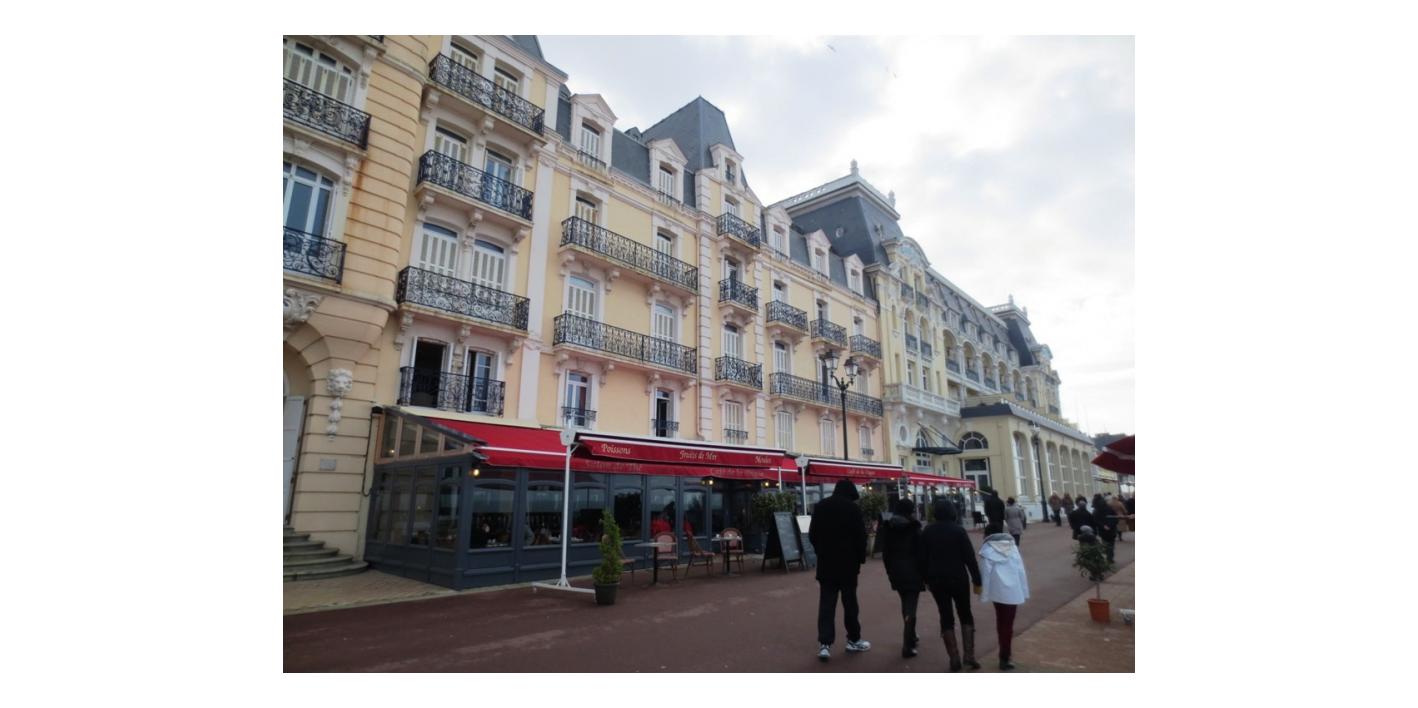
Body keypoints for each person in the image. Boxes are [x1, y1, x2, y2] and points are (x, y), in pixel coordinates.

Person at [808, 479, 871, 661]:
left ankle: (825, 644)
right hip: (848, 565)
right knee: (850, 603)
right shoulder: (853, 509)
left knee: (826, 604)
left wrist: (821, 551)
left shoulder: (821, 506)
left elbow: (812, 534)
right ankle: (853, 639)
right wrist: (860, 559)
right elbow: (861, 537)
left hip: (826, 564)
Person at [919, 499, 983, 672]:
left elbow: (922, 558)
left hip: (936, 580)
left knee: (945, 615)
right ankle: (969, 656)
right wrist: (977, 579)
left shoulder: (928, 531)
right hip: (958, 578)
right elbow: (969, 558)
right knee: (965, 613)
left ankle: (954, 658)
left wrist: (925, 579)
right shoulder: (958, 531)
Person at [978, 522, 1029, 671]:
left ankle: (1004, 655)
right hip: (1013, 591)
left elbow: (985, 574)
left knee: (1001, 622)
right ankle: (1005, 656)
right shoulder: (1013, 547)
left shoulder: (987, 549)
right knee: (1008, 624)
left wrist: (984, 595)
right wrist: (1024, 591)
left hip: (998, 592)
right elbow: (1020, 570)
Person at [880, 498, 926, 658]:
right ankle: (908, 644)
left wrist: (889, 571)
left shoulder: (889, 527)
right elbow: (921, 552)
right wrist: (924, 573)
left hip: (896, 570)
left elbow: (885, 553)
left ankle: (911, 635)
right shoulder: (914, 528)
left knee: (905, 603)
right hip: (913, 571)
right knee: (911, 606)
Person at [1091, 494, 1118, 564]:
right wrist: (1110, 525)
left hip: (1102, 530)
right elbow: (1115, 518)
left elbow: (1096, 521)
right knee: (1111, 544)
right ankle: (1110, 558)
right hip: (1112, 529)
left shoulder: (1096, 510)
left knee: (1105, 543)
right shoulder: (1109, 508)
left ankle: (1108, 556)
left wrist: (1103, 526)